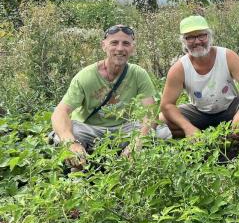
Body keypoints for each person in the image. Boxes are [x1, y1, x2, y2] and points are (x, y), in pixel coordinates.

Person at [50, 25, 170, 168]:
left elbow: (150, 112)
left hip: (123, 129)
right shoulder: (85, 76)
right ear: (104, 46)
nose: (120, 48)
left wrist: (139, 140)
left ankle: (129, 160)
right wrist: (70, 142)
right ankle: (79, 169)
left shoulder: (138, 74)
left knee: (164, 134)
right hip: (90, 130)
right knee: (61, 137)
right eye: (114, 43)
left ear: (133, 48)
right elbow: (60, 112)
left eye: (126, 43)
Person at [160, 15, 239, 138]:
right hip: (200, 113)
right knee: (164, 118)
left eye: (201, 35)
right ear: (183, 41)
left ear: (209, 36)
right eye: (190, 38)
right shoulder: (179, 68)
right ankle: (199, 137)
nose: (197, 41)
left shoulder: (227, 56)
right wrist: (187, 127)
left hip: (230, 108)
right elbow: (166, 105)